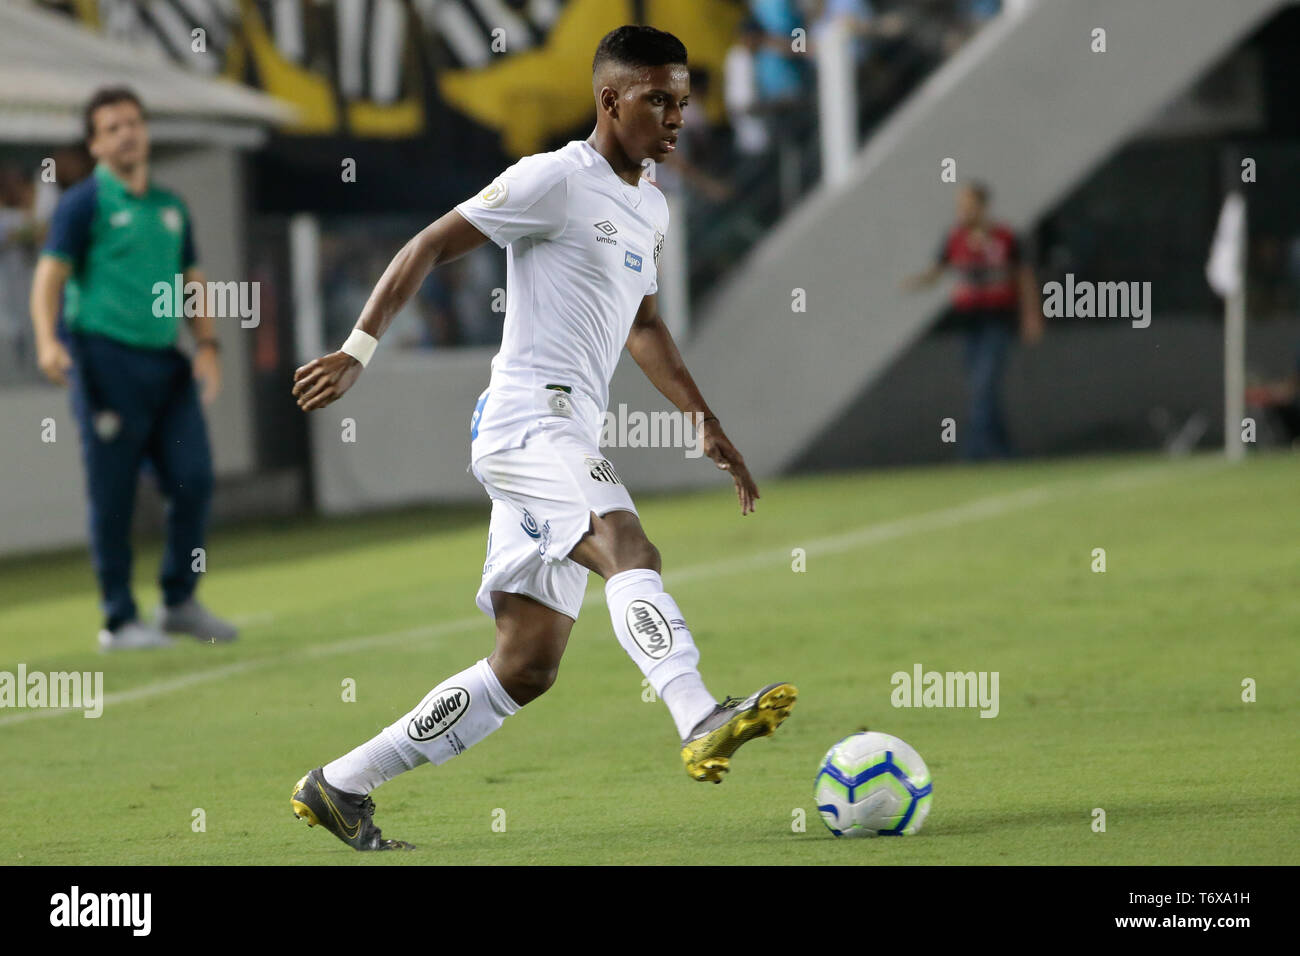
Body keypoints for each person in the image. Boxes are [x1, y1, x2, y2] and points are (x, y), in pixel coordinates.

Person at [288, 25, 797, 851]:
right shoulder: (553, 179)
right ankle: (697, 712)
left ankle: (341, 784)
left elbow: (645, 326)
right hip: (530, 418)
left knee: (526, 665)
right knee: (626, 546)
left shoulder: (650, 206)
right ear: (610, 101)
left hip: (561, 428)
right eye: (658, 100)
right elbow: (427, 244)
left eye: (683, 100)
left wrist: (707, 423)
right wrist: (358, 348)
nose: (676, 117)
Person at [29, 87, 237, 650]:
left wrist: (209, 345)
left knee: (192, 477)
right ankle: (118, 618)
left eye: (133, 123)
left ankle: (179, 601)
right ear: (95, 143)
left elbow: (192, 280)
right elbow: (49, 278)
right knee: (114, 492)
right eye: (112, 127)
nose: (127, 133)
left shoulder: (171, 206)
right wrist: (48, 341)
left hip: (165, 365)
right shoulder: (83, 203)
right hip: (102, 361)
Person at [904, 181, 1042, 460]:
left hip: (997, 320)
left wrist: (1031, 315)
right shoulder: (954, 238)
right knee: (982, 389)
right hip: (968, 323)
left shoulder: (1005, 237)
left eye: (968, 205)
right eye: (960, 206)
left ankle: (973, 450)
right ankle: (1003, 450)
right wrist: (917, 281)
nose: (963, 211)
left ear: (982, 206)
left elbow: (1023, 277)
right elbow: (938, 270)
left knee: (984, 384)